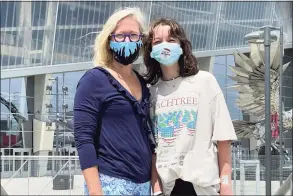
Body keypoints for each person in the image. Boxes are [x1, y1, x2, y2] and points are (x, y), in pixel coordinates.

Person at [143, 18, 238, 196]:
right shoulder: (152, 93)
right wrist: (156, 190)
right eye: (157, 41)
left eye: (171, 40)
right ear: (150, 50)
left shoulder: (204, 82)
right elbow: (153, 149)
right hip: (168, 188)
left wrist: (226, 187)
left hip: (201, 187)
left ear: (181, 45)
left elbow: (223, 139)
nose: (165, 45)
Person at [74, 7, 156, 196]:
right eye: (120, 36)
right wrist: (96, 191)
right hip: (110, 184)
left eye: (133, 35)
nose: (127, 41)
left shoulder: (142, 83)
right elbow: (84, 139)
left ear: (141, 40)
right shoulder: (94, 80)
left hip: (143, 186)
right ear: (109, 40)